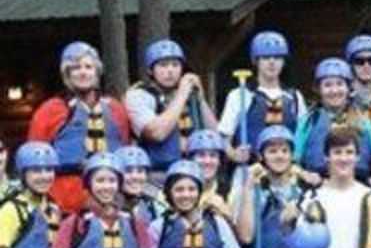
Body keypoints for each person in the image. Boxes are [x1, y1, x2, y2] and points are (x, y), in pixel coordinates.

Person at [28, 41, 130, 213]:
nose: (83, 72)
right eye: (76, 68)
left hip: (111, 201)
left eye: (88, 67)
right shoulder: (50, 110)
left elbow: (125, 146)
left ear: (97, 72)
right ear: (67, 74)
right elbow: (32, 158)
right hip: (64, 202)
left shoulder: (115, 109)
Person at [124, 39, 217, 185]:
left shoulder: (188, 94)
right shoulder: (138, 95)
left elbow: (213, 133)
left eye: (175, 65)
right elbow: (157, 133)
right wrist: (182, 94)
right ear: (150, 70)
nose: (170, 71)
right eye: (163, 65)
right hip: (158, 175)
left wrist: (200, 99)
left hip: (194, 172)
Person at [218, 30, 307, 165]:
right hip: (250, 170)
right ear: (256, 61)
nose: (272, 62)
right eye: (265, 58)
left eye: (277, 57)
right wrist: (234, 155)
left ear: (283, 61)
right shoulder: (240, 95)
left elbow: (303, 137)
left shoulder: (295, 97)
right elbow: (223, 138)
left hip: (287, 171)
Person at [294, 58, 371, 186]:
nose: (334, 91)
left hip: (358, 184)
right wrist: (305, 175)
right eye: (328, 85)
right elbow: (292, 161)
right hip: (319, 186)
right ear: (319, 89)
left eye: (339, 84)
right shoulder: (309, 121)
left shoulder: (362, 120)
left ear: (348, 88)